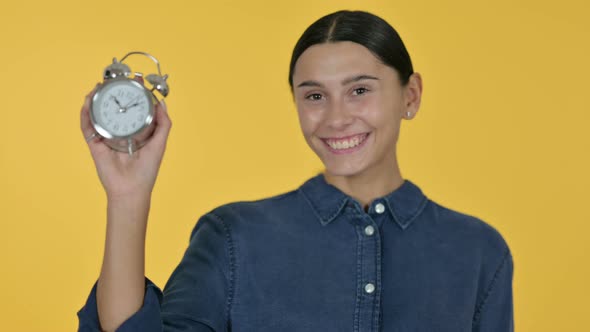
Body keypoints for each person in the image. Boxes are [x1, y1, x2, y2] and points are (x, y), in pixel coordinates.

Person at [78, 10, 514, 332]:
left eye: (359, 90)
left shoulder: (478, 252)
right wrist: (127, 197)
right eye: (314, 97)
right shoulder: (232, 237)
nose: (336, 118)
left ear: (410, 95)